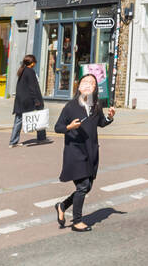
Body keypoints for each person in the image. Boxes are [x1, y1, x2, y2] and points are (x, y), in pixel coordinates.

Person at [53, 73, 115, 232]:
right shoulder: (71, 106)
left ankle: (63, 206)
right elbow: (57, 127)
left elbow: (100, 123)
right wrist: (69, 127)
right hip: (75, 151)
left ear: (95, 89)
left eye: (92, 83)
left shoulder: (96, 106)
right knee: (83, 186)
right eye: (85, 82)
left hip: (92, 151)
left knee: (87, 187)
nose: (88, 85)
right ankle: (77, 222)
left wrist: (109, 117)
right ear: (79, 86)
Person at [9, 55, 47, 148]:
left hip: (21, 100)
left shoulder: (22, 70)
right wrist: (36, 100)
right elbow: (32, 87)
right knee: (39, 117)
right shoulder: (30, 71)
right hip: (29, 100)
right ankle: (41, 138)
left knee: (18, 120)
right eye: (35, 62)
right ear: (32, 63)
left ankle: (13, 142)